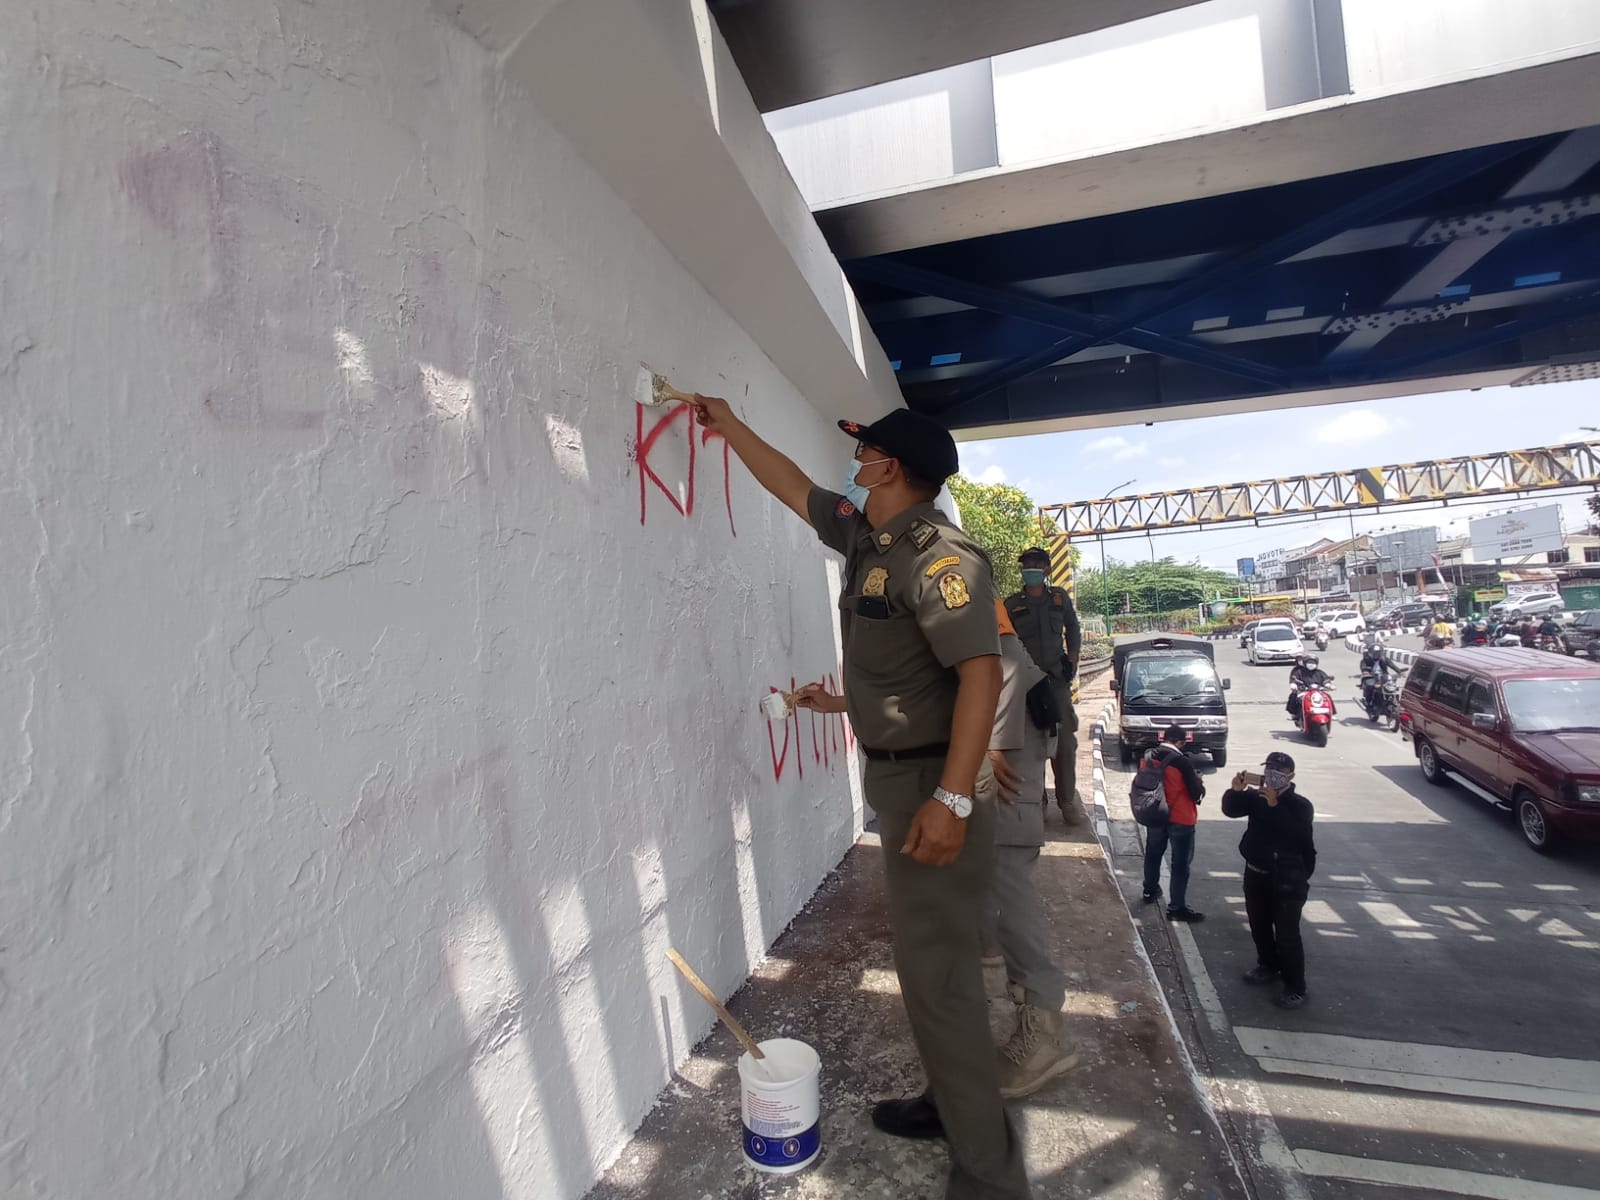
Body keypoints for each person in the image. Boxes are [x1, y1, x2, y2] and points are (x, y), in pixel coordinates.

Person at [694, 394, 1031, 1200]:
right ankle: (949, 1102)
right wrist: (729, 421)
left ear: (891, 467)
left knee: (942, 979)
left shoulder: (941, 558)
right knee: (926, 971)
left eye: (867, 451)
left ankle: (990, 1174)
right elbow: (795, 487)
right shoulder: (872, 539)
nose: (855, 460)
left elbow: (980, 673)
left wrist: (952, 802)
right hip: (902, 774)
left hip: (931, 786)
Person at [983, 600, 1075, 1098]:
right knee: (990, 879)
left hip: (1014, 736)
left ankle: (1043, 1029)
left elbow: (1006, 661)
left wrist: (988, 744)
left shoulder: (949, 572)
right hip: (1013, 723)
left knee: (1007, 884)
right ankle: (999, 971)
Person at [1222, 753, 1317, 1010]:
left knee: (1287, 934)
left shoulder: (1299, 805)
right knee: (1259, 925)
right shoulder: (1256, 797)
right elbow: (1231, 810)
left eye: (1279, 770)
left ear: (1290, 776)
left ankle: (1295, 986)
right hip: (1256, 873)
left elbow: (1297, 837)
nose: (1273, 773)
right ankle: (1267, 965)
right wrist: (1235, 791)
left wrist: (1276, 806)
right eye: (1270, 768)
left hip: (1286, 879)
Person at [1005, 548, 1083, 824]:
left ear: (1048, 570)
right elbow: (1004, 640)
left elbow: (1073, 630)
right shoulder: (1011, 605)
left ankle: (1067, 802)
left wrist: (1072, 659)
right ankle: (1038, 801)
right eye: (1026, 564)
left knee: (1064, 745)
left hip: (1057, 683)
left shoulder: (1059, 599)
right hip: (1027, 686)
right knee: (1032, 745)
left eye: (1037, 564)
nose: (1031, 568)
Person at [1140, 724, 1206, 922]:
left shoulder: (1148, 757)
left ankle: (1149, 891)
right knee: (1180, 864)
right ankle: (1176, 907)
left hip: (1155, 814)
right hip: (1180, 817)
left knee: (1153, 854)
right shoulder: (1182, 762)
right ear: (1179, 742)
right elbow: (1195, 792)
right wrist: (1199, 782)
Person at [1285, 655, 1330, 721]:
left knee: (1327, 697)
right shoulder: (1299, 672)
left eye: (1313, 663)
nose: (1311, 664)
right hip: (1303, 691)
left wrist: (1328, 685)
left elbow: (1325, 680)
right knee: (1293, 697)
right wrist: (1294, 685)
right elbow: (1293, 679)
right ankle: (1294, 714)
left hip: (1318, 692)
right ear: (1305, 663)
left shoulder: (1320, 672)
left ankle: (1331, 713)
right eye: (1309, 662)